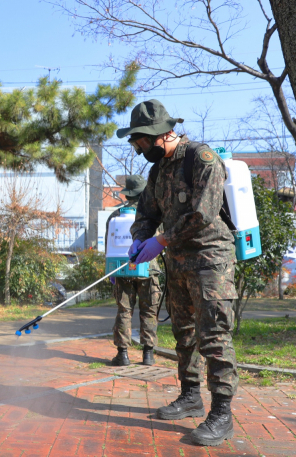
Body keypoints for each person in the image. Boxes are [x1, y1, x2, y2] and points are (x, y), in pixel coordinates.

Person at [117, 99, 238, 447]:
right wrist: (140, 240)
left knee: (213, 335)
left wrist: (163, 240)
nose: (140, 150)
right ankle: (190, 395)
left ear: (163, 134)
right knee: (184, 333)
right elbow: (146, 214)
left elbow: (203, 213)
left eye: (142, 142)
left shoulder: (201, 159)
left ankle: (222, 413)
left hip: (210, 260)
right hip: (177, 262)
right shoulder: (157, 172)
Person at [105, 175, 161, 367]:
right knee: (149, 311)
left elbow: (108, 246)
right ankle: (148, 354)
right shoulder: (154, 214)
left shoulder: (115, 216)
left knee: (124, 311)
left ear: (127, 194)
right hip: (149, 268)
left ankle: (123, 354)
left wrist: (112, 273)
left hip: (122, 269)